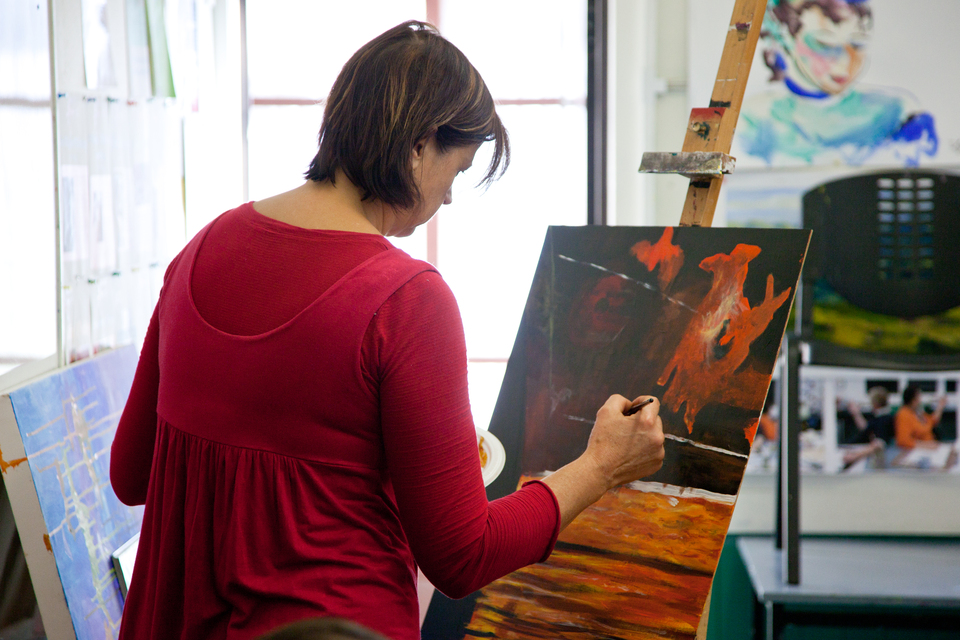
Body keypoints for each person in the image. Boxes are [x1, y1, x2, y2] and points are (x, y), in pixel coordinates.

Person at [109, 21, 665, 640]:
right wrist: (601, 465)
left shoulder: (200, 250)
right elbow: (462, 555)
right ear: (419, 145)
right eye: (456, 172)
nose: (447, 200)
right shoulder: (406, 300)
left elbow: (131, 475)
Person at [737, 0, 938, 167]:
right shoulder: (752, 119)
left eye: (858, 44)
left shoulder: (897, 111)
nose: (845, 61)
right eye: (825, 44)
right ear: (784, 37)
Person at [894, 385, 946, 450]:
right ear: (913, 400)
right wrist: (926, 445)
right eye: (919, 397)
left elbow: (933, 420)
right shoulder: (903, 415)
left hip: (930, 447)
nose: (920, 401)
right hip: (917, 450)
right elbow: (903, 440)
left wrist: (941, 406)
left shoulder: (917, 412)